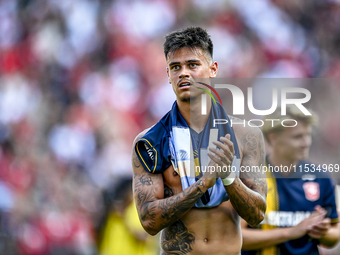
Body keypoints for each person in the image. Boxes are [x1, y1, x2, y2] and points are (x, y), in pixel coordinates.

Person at [131, 26, 267, 255]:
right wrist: (203, 184)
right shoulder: (151, 141)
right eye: (176, 67)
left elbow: (257, 215)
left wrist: (228, 177)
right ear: (168, 75)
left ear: (213, 69)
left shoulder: (246, 135)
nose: (183, 73)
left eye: (192, 65)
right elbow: (149, 221)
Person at [241, 105, 340, 255]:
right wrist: (292, 232)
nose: (306, 142)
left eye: (308, 135)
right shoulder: (249, 176)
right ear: (273, 137)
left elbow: (334, 235)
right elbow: (238, 236)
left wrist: (322, 231)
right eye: (297, 136)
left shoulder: (321, 177)